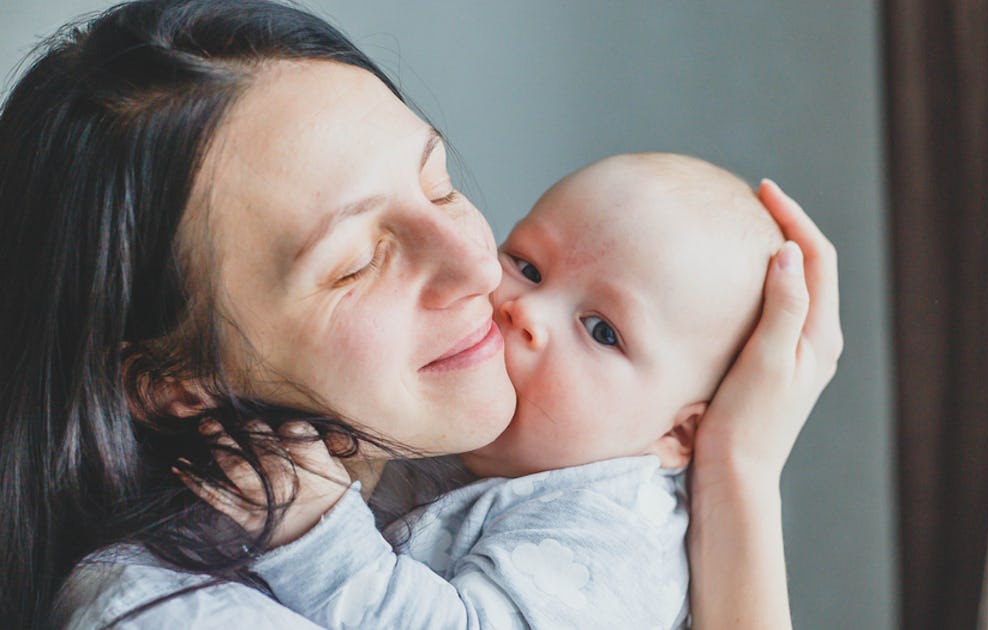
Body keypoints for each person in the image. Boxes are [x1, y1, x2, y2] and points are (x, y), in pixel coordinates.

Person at [0, 1, 842, 628]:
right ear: (172, 382)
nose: (484, 271)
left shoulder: (597, 528)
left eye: (440, 184)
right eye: (358, 260)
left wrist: (738, 470)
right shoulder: (153, 608)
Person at [190, 152, 786, 629]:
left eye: (603, 331)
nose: (524, 310)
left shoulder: (607, 537)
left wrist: (313, 531)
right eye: (527, 264)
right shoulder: (477, 431)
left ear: (676, 433)